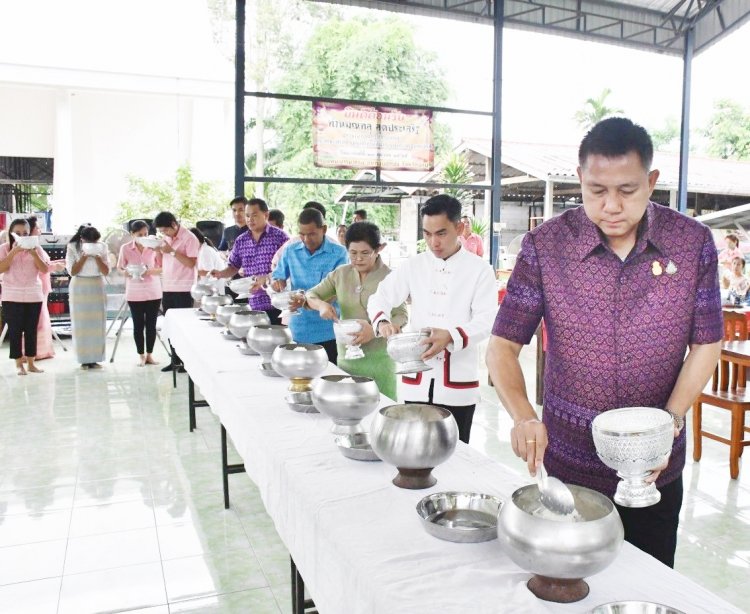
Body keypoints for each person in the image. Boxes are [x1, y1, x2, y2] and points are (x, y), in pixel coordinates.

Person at [486, 117, 723, 568]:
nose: (611, 205)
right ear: (580, 178)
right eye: (597, 190)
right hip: (570, 466)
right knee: (570, 581)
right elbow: (502, 346)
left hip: (655, 467)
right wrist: (522, 416)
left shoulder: (692, 244)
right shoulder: (545, 247)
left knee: (649, 579)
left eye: (627, 190)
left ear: (651, 182)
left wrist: (668, 424)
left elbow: (707, 343)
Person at [367, 195, 497, 443]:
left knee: (456, 455)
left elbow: (487, 320)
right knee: (414, 449)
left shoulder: (479, 270)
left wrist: (451, 336)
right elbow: (379, 298)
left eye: (441, 233)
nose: (433, 242)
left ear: (459, 228)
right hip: (416, 379)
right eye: (426, 234)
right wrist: (382, 322)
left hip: (458, 384)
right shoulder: (413, 266)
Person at [306, 222, 408, 399]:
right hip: (347, 359)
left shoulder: (391, 277)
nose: (358, 259)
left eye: (365, 253)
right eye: (353, 253)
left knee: (379, 414)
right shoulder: (341, 274)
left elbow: (401, 315)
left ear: (378, 249)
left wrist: (377, 330)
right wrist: (321, 305)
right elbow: (311, 295)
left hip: (380, 361)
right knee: (346, 409)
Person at [271, 208, 348, 363]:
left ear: (324, 229)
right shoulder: (291, 251)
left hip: (328, 330)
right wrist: (277, 284)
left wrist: (307, 301)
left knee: (327, 377)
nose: (306, 239)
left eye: (312, 234)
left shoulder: (339, 254)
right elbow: (277, 277)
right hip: (298, 329)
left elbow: (337, 291)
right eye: (302, 234)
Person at [210, 198, 288, 324]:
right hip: (252, 303)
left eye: (254, 215)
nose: (250, 219)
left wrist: (269, 278)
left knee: (274, 339)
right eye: (247, 216)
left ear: (266, 215)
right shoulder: (241, 240)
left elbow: (289, 268)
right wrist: (220, 274)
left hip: (276, 302)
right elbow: (233, 266)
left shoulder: (280, 237)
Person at [0, 218, 51, 375]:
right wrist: (14, 252)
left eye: (25, 233)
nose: (21, 235)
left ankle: (31, 363)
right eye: (17, 233)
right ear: (11, 233)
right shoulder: (4, 248)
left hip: (33, 295)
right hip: (11, 295)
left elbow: (44, 269)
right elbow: (1, 268)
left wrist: (34, 254)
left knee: (31, 330)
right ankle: (18, 364)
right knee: (15, 331)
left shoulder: (37, 248)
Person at [154, 211, 200, 373]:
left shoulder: (189, 238)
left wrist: (172, 251)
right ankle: (174, 360)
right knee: (170, 325)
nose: (164, 233)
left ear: (174, 224)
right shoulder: (165, 239)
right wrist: (157, 251)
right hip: (168, 286)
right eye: (161, 231)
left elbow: (190, 263)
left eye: (165, 230)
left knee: (184, 327)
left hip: (184, 287)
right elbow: (162, 262)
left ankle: (185, 361)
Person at [117, 220, 163, 367]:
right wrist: (128, 273)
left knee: (151, 325)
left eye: (146, 234)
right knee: (138, 325)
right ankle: (141, 355)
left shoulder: (154, 247)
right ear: (132, 234)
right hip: (134, 292)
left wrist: (147, 271)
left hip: (153, 291)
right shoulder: (125, 248)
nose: (143, 236)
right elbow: (119, 268)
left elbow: (162, 268)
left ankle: (150, 354)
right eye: (140, 234)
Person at [66, 224, 110, 370]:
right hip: (79, 286)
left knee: (98, 323)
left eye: (95, 243)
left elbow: (105, 271)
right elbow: (72, 271)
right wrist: (84, 257)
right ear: (82, 239)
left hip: (97, 285)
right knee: (81, 324)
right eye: (88, 243)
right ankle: (83, 359)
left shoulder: (102, 247)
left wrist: (97, 257)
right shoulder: (73, 246)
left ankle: (96, 358)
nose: (92, 245)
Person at [27, 216, 63, 360]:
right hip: (38, 286)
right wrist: (56, 266)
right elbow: (42, 267)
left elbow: (44, 264)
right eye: (38, 227)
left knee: (42, 318)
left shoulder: (37, 246)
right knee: (39, 319)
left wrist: (57, 263)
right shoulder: (32, 247)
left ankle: (40, 350)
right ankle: (37, 351)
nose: (40, 230)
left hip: (42, 286)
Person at [191, 228, 227, 295]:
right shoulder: (202, 250)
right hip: (210, 290)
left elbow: (209, 272)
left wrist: (191, 272)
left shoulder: (205, 251)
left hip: (214, 291)